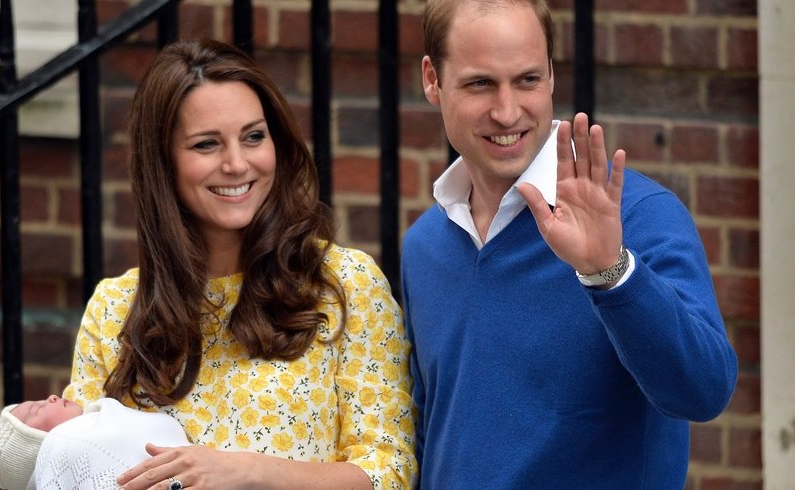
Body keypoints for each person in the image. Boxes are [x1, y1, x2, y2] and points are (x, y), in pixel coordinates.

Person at [400, 0, 739, 488]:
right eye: (480, 83)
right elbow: (434, 435)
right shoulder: (425, 245)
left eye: (527, 80)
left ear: (552, 76)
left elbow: (704, 393)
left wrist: (611, 273)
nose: (507, 110)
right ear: (432, 79)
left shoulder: (639, 216)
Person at [60, 38, 416, 490]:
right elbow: (72, 470)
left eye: (253, 137)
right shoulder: (113, 312)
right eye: (206, 144)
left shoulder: (344, 284)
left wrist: (247, 472)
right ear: (162, 164)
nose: (236, 163)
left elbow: (389, 471)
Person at [0, 395, 190, 490]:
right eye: (37, 409)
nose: (51, 397)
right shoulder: (65, 443)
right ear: (35, 449)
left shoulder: (104, 420)